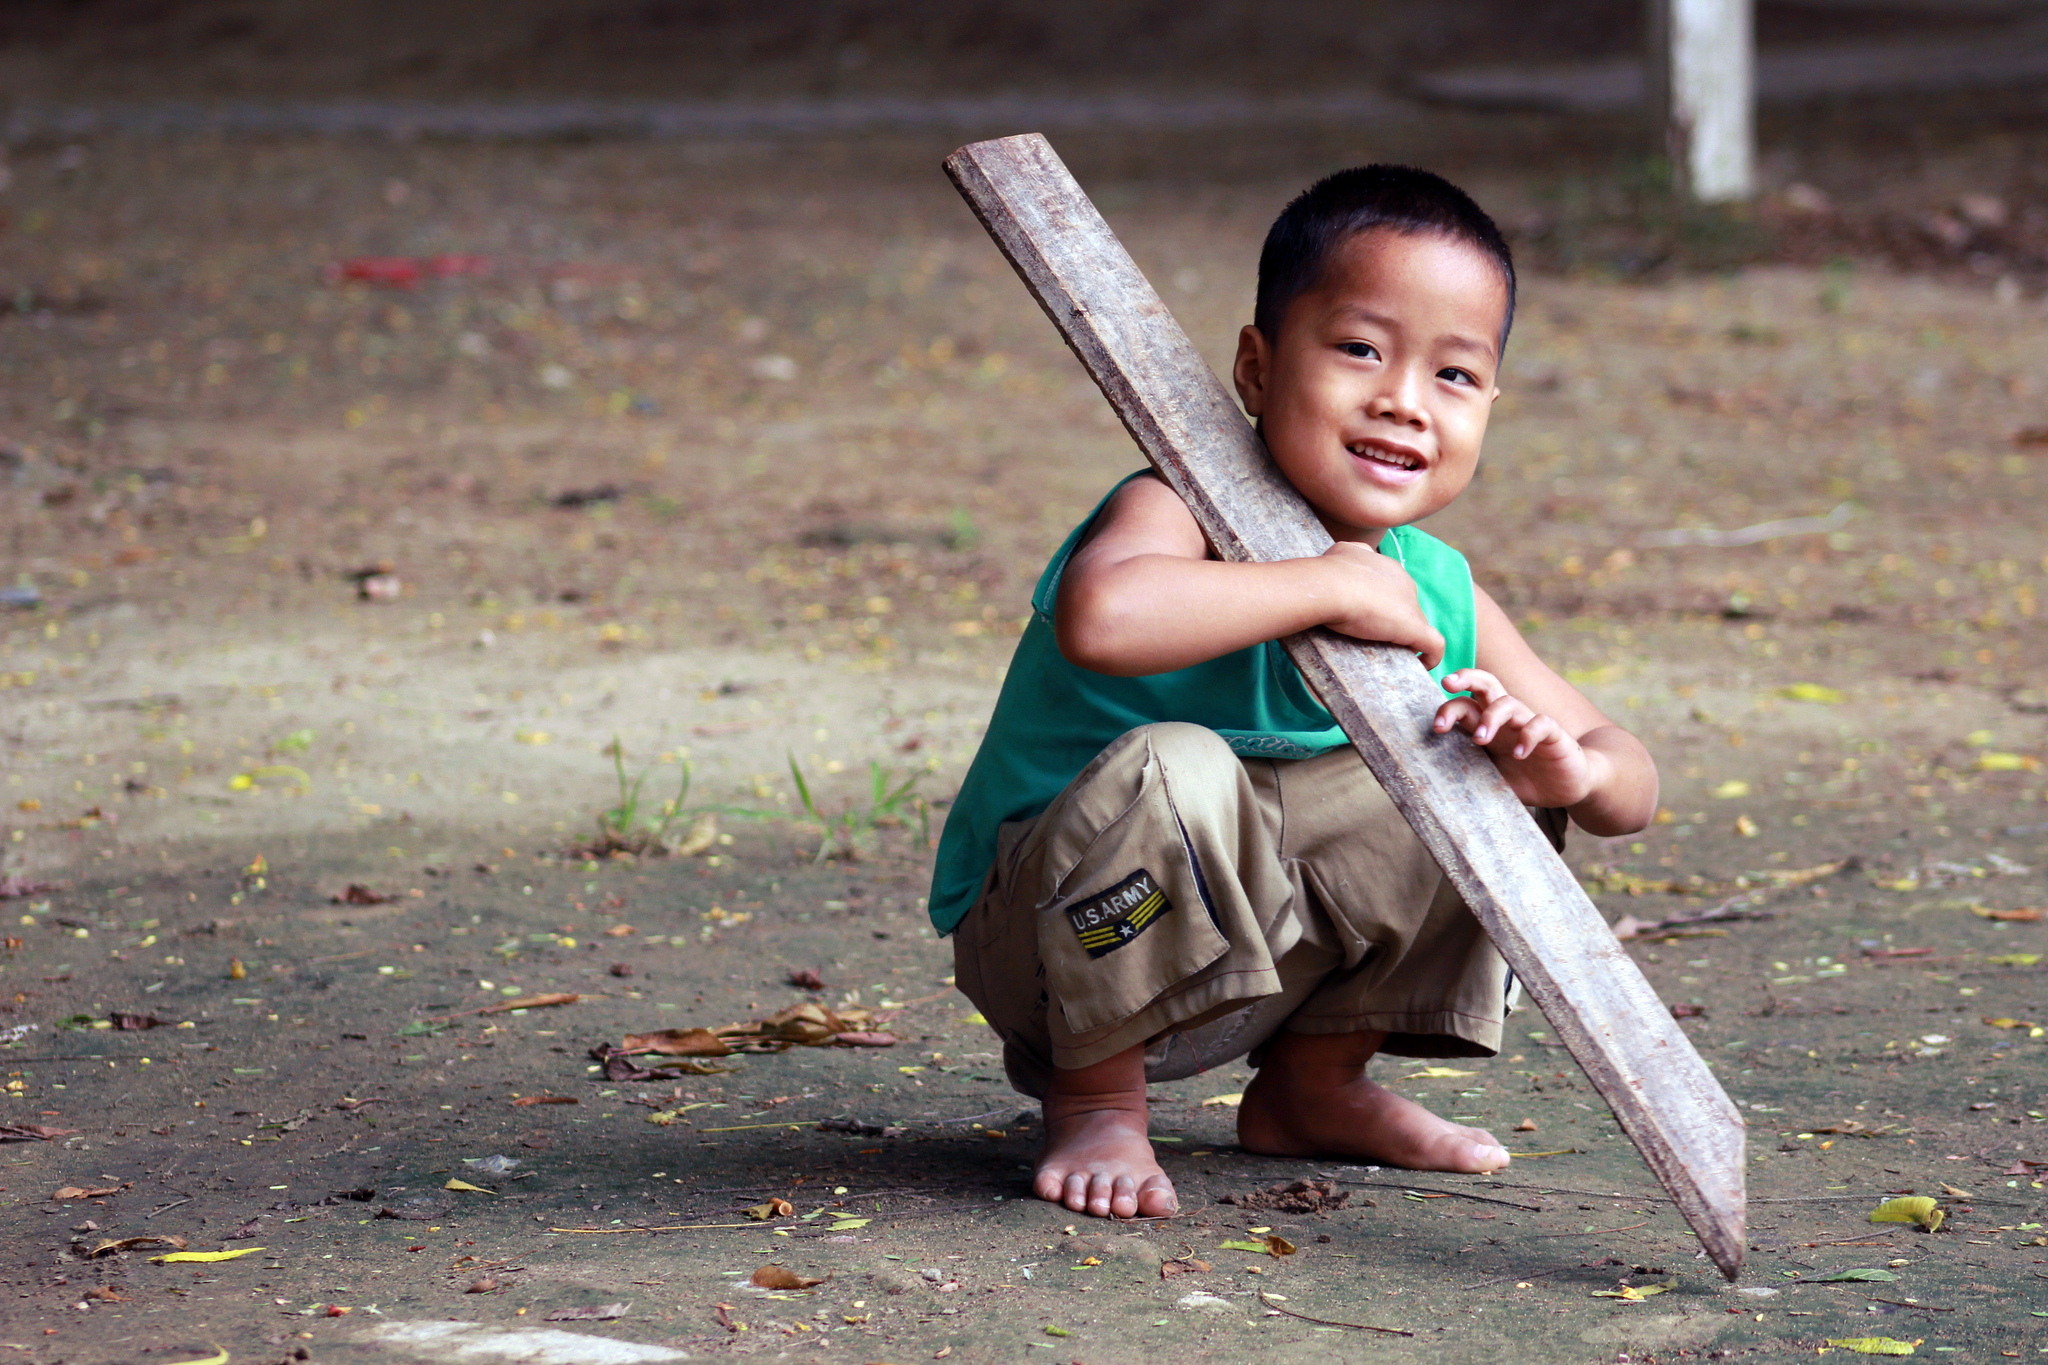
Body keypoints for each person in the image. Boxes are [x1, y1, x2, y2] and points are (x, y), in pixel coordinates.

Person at [926, 166, 1658, 1221]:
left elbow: (1623, 778)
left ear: (1491, 405)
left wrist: (1568, 764)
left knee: (1488, 763)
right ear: (1256, 368)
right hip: (1058, 949)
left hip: (1263, 961)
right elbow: (1105, 618)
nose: (1402, 399)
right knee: (1172, 764)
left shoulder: (1435, 584)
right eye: (1359, 349)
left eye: (1453, 376)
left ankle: (1313, 1087)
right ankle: (1096, 1103)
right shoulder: (1172, 505)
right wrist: (1323, 582)